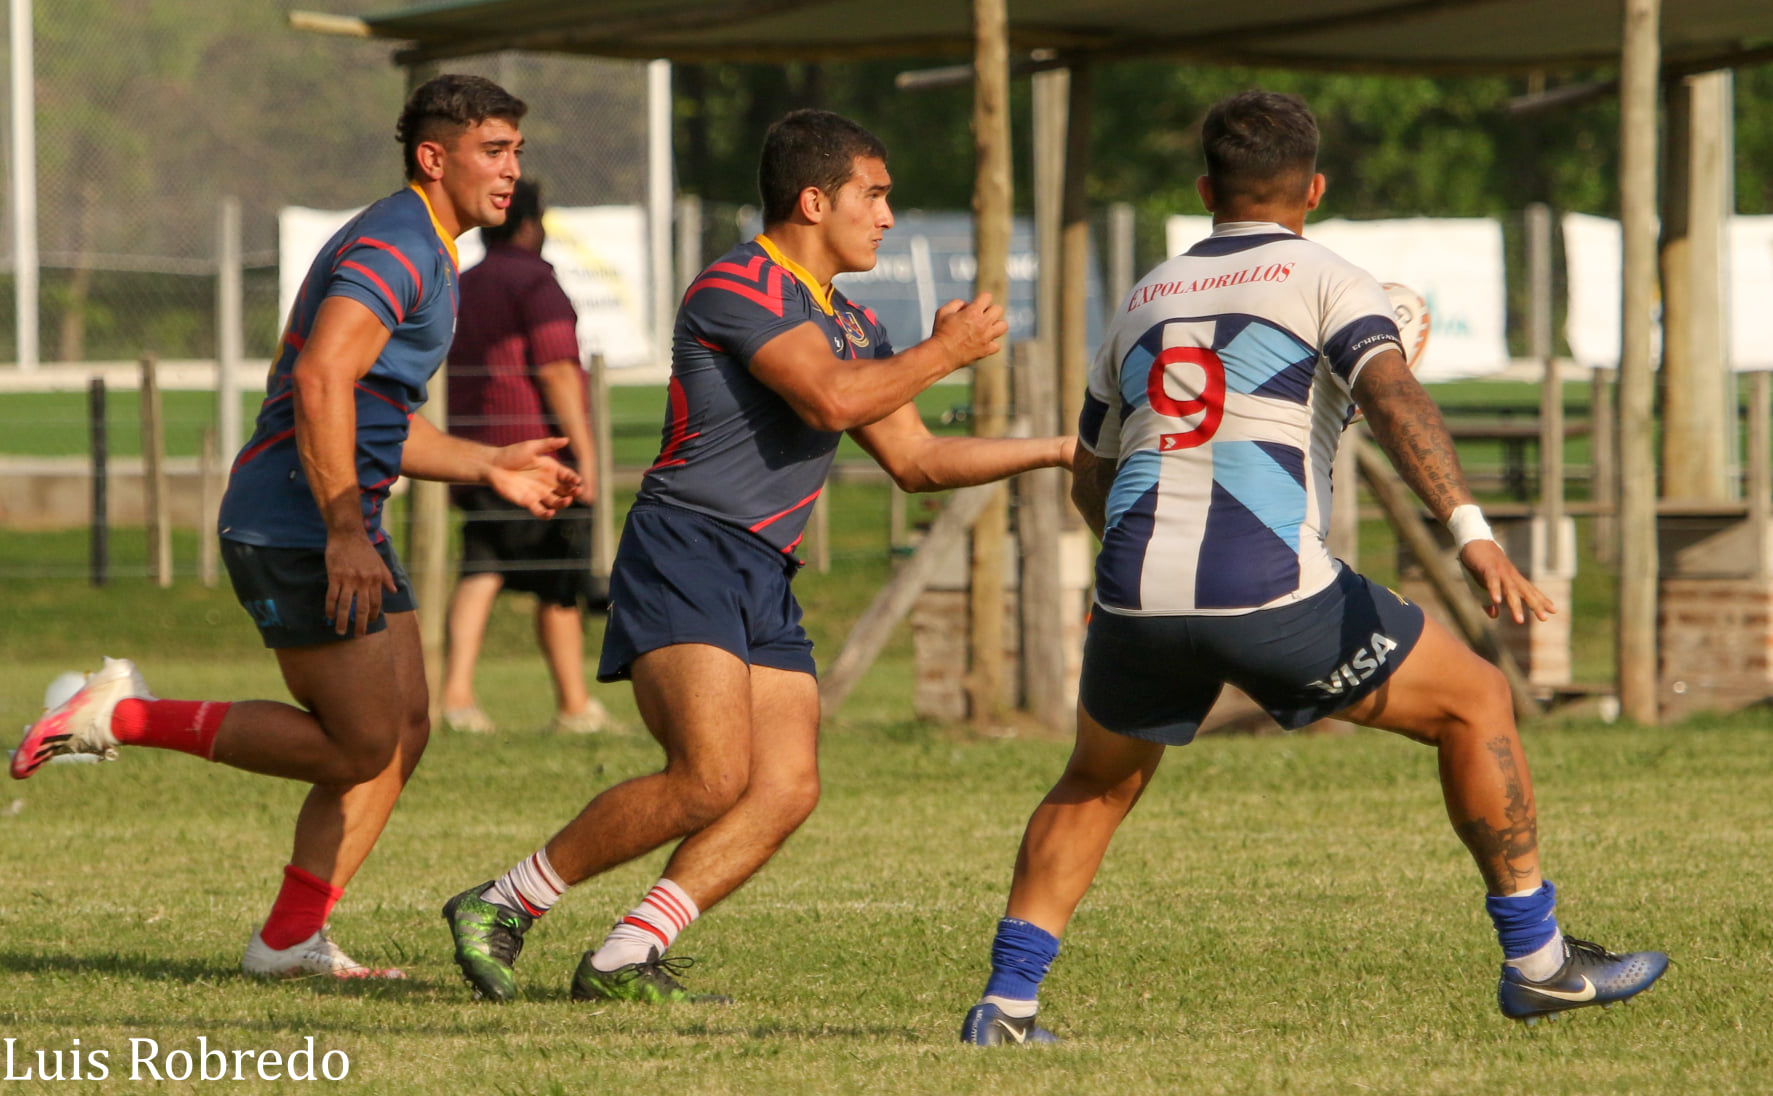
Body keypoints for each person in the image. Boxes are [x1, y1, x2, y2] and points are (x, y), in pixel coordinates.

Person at [958, 90, 1668, 1045]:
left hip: (1132, 586)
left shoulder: (1142, 297)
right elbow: (1394, 399)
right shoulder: (1330, 277)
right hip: (1267, 588)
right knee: (1475, 703)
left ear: (1207, 190)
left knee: (1095, 779)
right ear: (1314, 189)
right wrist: (1472, 533)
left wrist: (1139, 574)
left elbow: (1093, 469)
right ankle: (1539, 965)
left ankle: (1006, 1005)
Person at [441, 108, 1075, 1004]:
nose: (888, 216)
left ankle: (627, 956)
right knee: (708, 777)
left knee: (784, 786)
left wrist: (1056, 451)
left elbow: (919, 461)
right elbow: (825, 401)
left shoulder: (848, 321)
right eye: (874, 195)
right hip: (686, 549)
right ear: (814, 200)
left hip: (763, 569)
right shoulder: (736, 286)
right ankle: (503, 903)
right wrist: (944, 352)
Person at [11, 75, 579, 980]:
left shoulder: (425, 246)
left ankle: (287, 940)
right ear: (435, 157)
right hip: (299, 523)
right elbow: (319, 381)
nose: (512, 170)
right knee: (358, 743)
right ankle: (118, 714)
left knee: (405, 731)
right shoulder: (397, 243)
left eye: (516, 150)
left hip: (330, 514)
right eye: (493, 151)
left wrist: (490, 464)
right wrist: (344, 531)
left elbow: (368, 404)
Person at [442, 177, 609, 736]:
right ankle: (574, 704)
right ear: (533, 225)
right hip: (540, 455)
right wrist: (585, 456)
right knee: (558, 578)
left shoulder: (462, 285)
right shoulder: (536, 282)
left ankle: (456, 698)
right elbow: (559, 369)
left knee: (481, 570)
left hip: (473, 451)